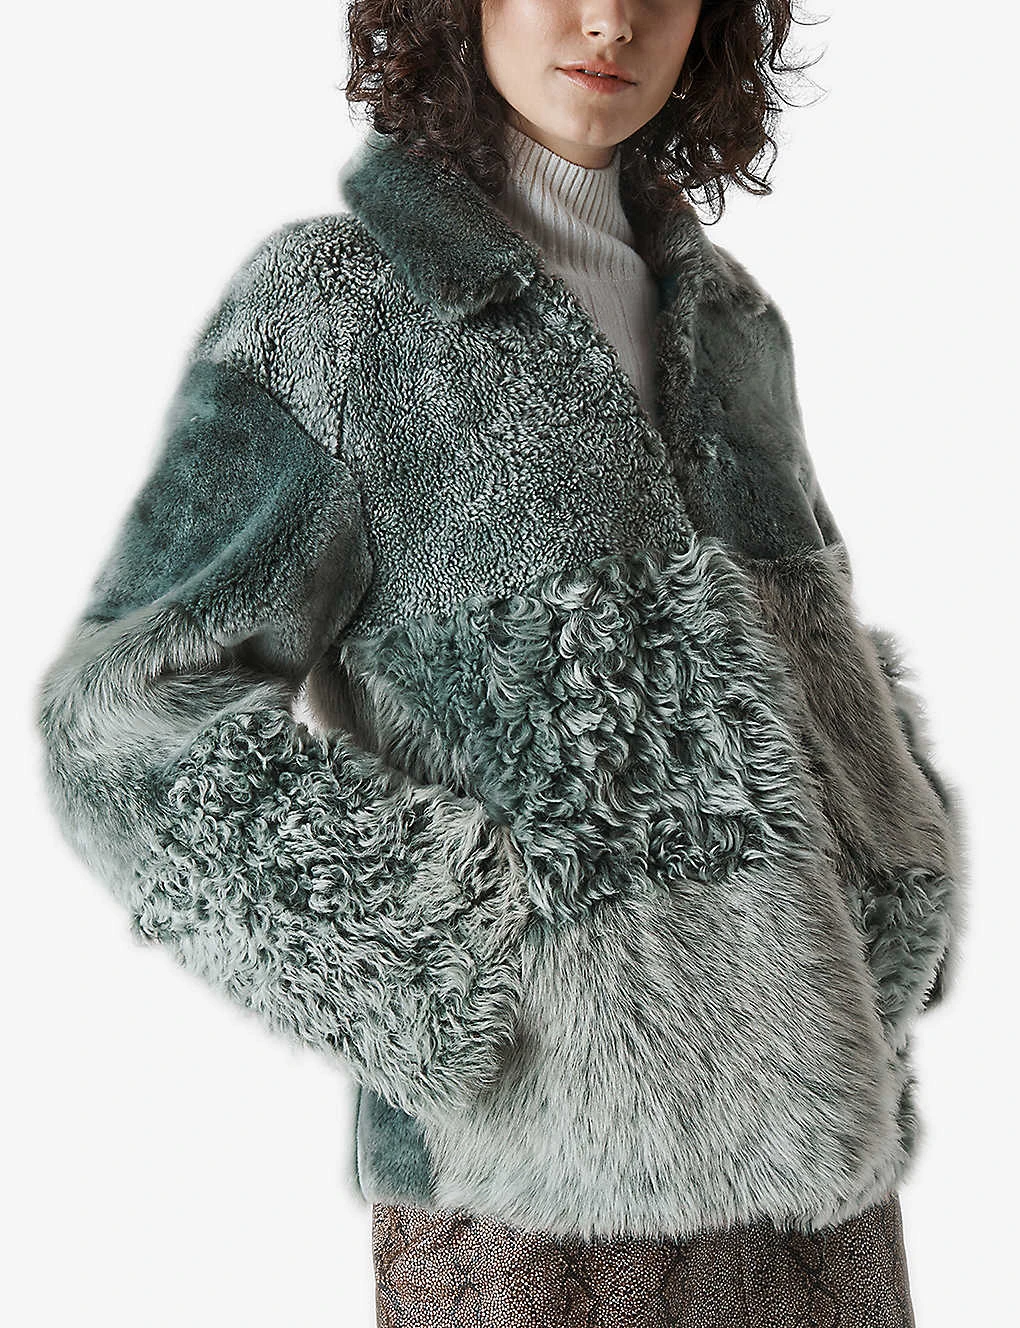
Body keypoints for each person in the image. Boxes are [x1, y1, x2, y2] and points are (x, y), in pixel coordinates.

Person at [34, 1, 967, 1323]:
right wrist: (443, 944)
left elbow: (807, 659)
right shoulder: (342, 305)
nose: (612, 20)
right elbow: (123, 713)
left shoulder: (732, 320)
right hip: (533, 1180)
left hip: (819, 1165)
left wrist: (896, 869)